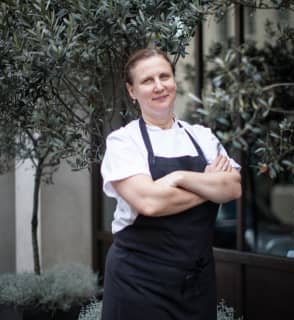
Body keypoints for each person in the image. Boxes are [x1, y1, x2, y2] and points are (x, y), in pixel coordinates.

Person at [100, 47, 242, 320]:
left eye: (164, 76)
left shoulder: (201, 136)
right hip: (137, 283)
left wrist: (179, 178)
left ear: (174, 81)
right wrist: (209, 185)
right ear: (132, 91)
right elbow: (150, 203)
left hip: (196, 284)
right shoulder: (124, 142)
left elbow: (233, 187)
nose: (159, 86)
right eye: (147, 81)